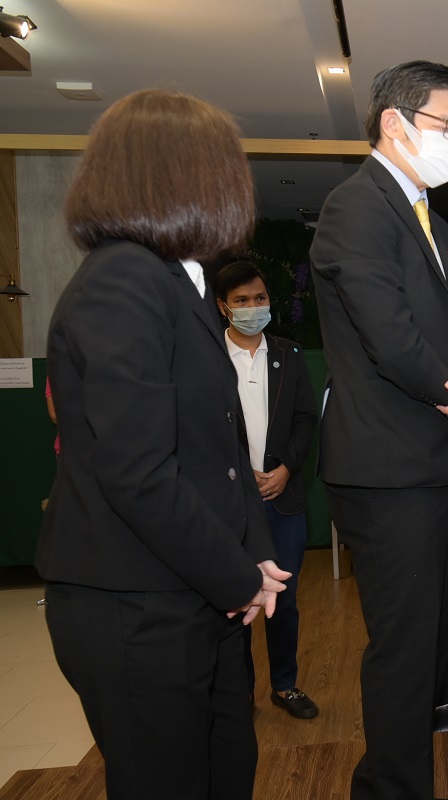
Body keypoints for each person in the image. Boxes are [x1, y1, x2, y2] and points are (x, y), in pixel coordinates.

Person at [36, 89, 287, 800]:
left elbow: (220, 451)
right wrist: (236, 575)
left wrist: (251, 555)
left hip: (194, 592)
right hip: (136, 605)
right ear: (183, 175)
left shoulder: (177, 280)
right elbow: (140, 473)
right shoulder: (123, 279)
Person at [310, 60, 448, 800]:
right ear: (395, 123)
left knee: (430, 642)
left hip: (429, 462)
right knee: (405, 652)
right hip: (385, 469)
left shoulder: (434, 220)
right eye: (446, 126)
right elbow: (392, 342)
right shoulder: (356, 208)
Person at [213, 261, 320, 720]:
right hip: (228, 505)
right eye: (241, 301)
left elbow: (306, 419)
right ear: (223, 307)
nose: (252, 307)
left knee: (284, 599)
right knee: (235, 600)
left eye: (259, 298)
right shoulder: (207, 357)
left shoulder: (288, 353)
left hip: (283, 499)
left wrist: (286, 470)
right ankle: (238, 693)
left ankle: (285, 685)